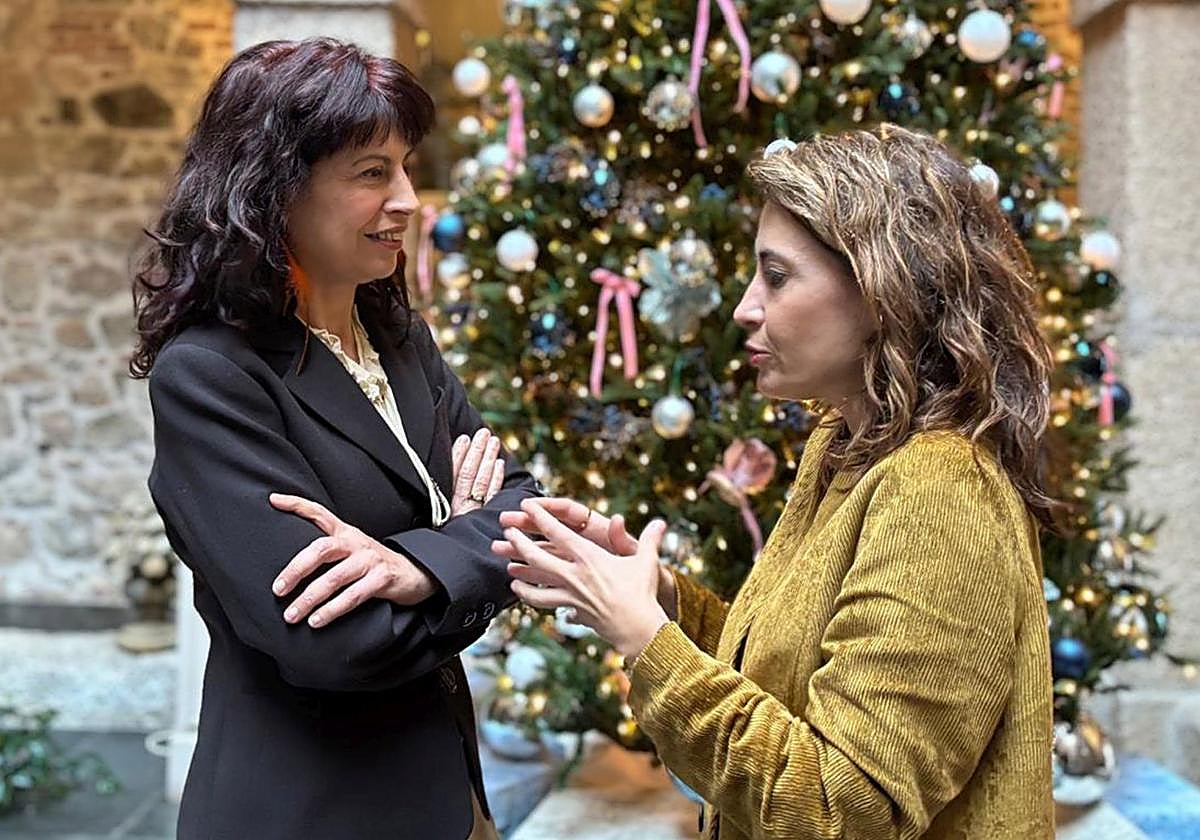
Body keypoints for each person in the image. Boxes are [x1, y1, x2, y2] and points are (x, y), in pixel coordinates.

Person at [496, 125, 1057, 839]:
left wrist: (645, 641)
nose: (745, 308)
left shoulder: (941, 489)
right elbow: (801, 670)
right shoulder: (846, 442)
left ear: (884, 287)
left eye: (778, 275)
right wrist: (663, 602)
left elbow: (840, 809)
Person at [131, 38, 536, 839]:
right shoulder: (211, 377)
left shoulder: (396, 336)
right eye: (372, 172)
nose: (410, 200)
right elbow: (338, 645)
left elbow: (522, 503)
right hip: (310, 811)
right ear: (274, 189)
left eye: (406, 166)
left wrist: (418, 568)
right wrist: (462, 540)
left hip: (447, 799)